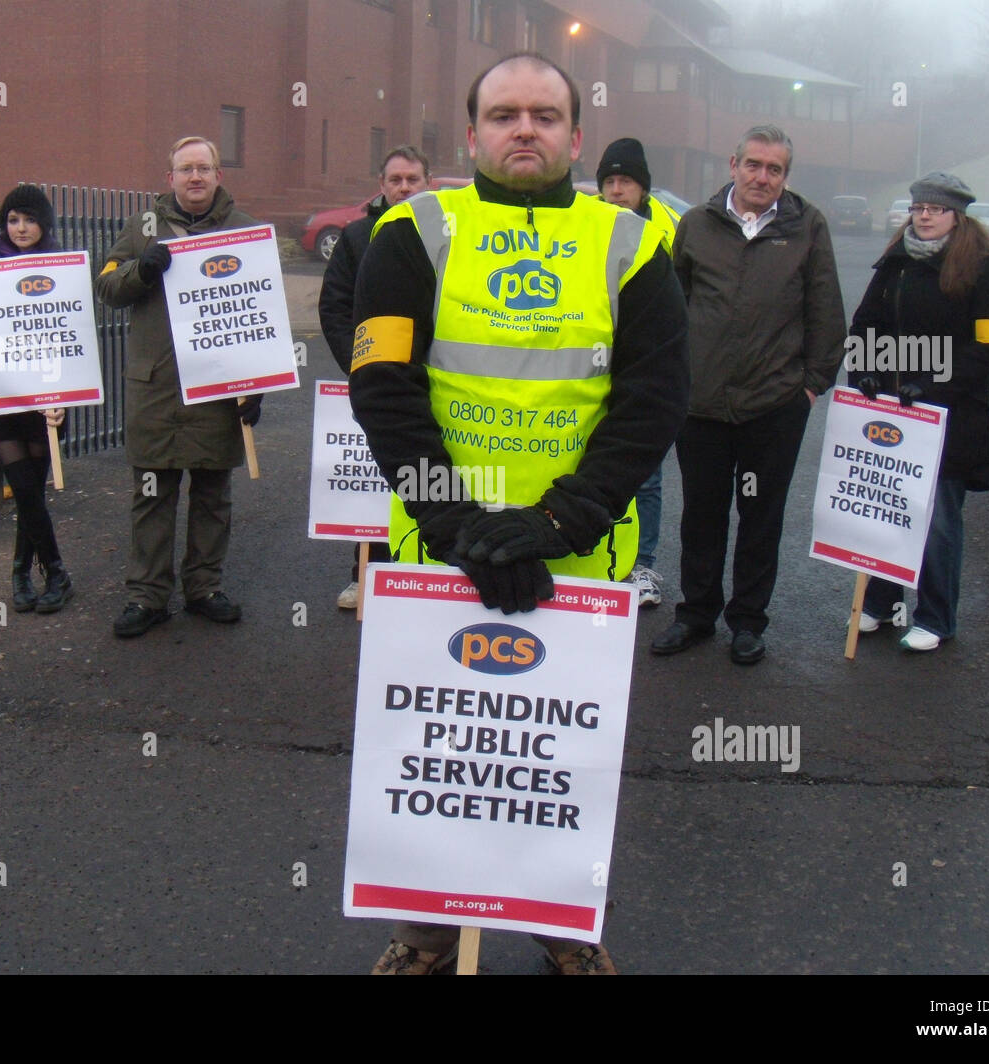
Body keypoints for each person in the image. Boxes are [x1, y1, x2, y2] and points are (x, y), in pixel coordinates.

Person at [350, 52, 690, 974]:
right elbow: (383, 389)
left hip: (576, 558)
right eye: (504, 114)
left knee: (561, 767)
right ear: (472, 134)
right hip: (437, 555)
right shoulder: (412, 232)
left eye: (545, 114)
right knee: (433, 754)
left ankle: (563, 927)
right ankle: (423, 935)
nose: (525, 129)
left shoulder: (629, 241)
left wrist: (557, 522)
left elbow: (653, 398)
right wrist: (460, 527)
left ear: (576, 136)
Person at [652, 124, 845, 665]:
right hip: (702, 404)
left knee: (761, 517)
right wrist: (674, 378)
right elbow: (673, 305)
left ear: (786, 175)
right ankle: (695, 615)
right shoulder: (696, 224)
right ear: (733, 164)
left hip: (775, 405)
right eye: (754, 165)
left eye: (775, 169)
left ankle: (748, 622)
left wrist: (809, 388)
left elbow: (826, 312)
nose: (763, 177)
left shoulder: (807, 226)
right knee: (701, 515)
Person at [95, 136, 263, 638]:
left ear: (219, 175)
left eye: (204, 168)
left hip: (218, 390)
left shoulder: (245, 232)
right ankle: (146, 596)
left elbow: (261, 316)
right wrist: (141, 269)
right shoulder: (141, 226)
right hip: (157, 389)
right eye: (185, 169)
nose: (195, 177)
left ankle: (204, 589)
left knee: (213, 493)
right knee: (153, 494)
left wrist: (258, 386)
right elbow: (106, 287)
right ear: (169, 178)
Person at [848, 171, 989, 650]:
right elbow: (866, 323)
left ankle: (936, 617)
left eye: (935, 210)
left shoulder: (986, 267)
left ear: (957, 216)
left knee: (938, 519)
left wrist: (936, 385)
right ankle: (880, 603)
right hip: (892, 411)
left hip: (951, 414)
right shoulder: (895, 262)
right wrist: (865, 373)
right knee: (887, 508)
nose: (924, 216)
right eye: (919, 208)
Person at [318, 145, 430, 609]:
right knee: (376, 480)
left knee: (429, 477)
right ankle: (365, 574)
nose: (404, 188)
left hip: (436, 382)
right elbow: (335, 305)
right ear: (381, 186)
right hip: (378, 386)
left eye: (413, 180)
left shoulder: (448, 233)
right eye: (395, 180)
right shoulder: (359, 236)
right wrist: (359, 368)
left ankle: (428, 576)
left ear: (428, 183)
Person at [0, 184, 72, 614]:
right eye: (13, 220)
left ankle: (24, 570)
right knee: (23, 488)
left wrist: (68, 394)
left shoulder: (61, 267)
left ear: (45, 223)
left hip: (47, 392)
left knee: (31, 490)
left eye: (30, 219)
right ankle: (54, 571)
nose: (21, 228)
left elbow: (73, 335)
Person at [596, 137, 681, 608]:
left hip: (644, 369)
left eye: (625, 181)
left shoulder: (669, 228)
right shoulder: (584, 225)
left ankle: (642, 566)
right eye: (609, 180)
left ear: (643, 187)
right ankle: (598, 560)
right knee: (592, 466)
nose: (615, 189)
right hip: (590, 370)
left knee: (645, 476)